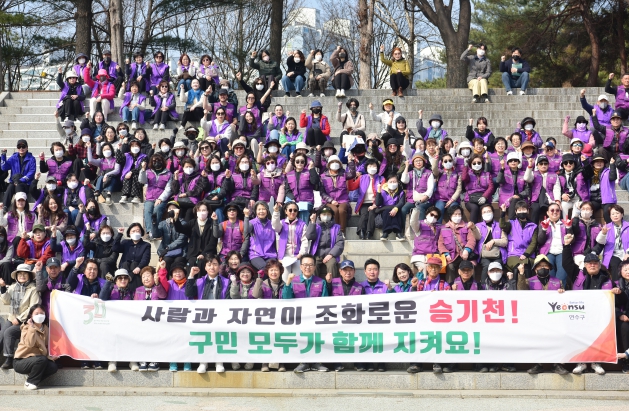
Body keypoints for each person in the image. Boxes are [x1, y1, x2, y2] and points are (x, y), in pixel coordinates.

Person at [283, 254, 328, 373]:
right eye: (305, 265)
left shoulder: (321, 282)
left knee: (317, 338)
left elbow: (325, 301)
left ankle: (317, 363)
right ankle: (303, 363)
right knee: (302, 338)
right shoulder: (294, 281)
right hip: (299, 319)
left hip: (316, 318)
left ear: (314, 267)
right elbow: (286, 300)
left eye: (310, 265)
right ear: (301, 267)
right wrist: (288, 283)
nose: (307, 267)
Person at [186, 255, 230, 373]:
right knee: (204, 338)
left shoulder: (226, 282)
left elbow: (229, 298)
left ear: (219, 266)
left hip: (220, 314)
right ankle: (203, 362)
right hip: (204, 314)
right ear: (205, 267)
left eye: (215, 264)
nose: (212, 267)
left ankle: (219, 362)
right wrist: (191, 276)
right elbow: (189, 294)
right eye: (209, 265)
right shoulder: (200, 281)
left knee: (219, 338)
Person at [0, 264, 41, 369]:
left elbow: (33, 308)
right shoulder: (13, 287)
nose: (22, 276)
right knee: (1, 335)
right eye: (20, 274)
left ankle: (9, 359)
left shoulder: (33, 289)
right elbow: (6, 301)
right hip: (12, 318)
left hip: (26, 321)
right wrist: (3, 288)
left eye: (25, 274)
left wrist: (19, 319)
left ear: (29, 276)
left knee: (8, 333)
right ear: (16, 275)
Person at [12, 304, 59, 390]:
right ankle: (30, 382)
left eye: (42, 313)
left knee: (53, 367)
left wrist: (51, 357)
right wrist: (32, 327)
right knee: (42, 359)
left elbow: (45, 347)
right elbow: (29, 344)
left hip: (38, 360)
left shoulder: (46, 329)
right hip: (21, 361)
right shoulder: (26, 328)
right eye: (36, 313)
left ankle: (32, 377)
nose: (39, 315)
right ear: (31, 316)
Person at [251, 259, 286, 372]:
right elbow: (255, 295)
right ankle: (264, 363)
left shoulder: (284, 284)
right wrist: (259, 279)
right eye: (271, 270)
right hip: (266, 317)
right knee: (266, 340)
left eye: (276, 270)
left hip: (280, 317)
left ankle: (281, 363)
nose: (274, 273)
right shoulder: (264, 283)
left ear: (280, 271)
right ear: (267, 271)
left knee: (280, 340)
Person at [172, 202, 218, 274]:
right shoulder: (192, 222)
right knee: (191, 263)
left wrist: (203, 254)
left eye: (204, 210)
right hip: (193, 253)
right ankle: (190, 283)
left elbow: (213, 242)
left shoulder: (212, 223)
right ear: (196, 212)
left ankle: (201, 284)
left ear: (208, 211)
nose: (201, 212)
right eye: (199, 210)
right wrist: (176, 217)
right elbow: (180, 229)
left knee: (201, 263)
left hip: (207, 254)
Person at [439, 207, 478, 284]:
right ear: (450, 215)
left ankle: (471, 287)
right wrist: (446, 254)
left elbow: (472, 239)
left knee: (470, 266)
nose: (457, 216)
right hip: (452, 256)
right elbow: (440, 244)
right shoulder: (444, 228)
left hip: (465, 254)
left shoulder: (466, 226)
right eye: (455, 214)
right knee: (450, 267)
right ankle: (450, 287)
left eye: (459, 214)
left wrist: (467, 250)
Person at [272, 202, 308, 282]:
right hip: (284, 256)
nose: (292, 212)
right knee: (285, 278)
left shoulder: (302, 224)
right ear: (285, 211)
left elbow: (304, 240)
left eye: (295, 210)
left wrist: (301, 253)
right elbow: (275, 226)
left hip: (297, 256)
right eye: (290, 210)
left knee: (298, 279)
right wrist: (276, 212)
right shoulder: (281, 223)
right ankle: (285, 293)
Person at [306, 206, 344, 279]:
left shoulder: (336, 227)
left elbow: (340, 243)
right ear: (319, 216)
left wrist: (331, 254)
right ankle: (313, 286)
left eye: (328, 214)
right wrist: (312, 223)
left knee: (332, 264)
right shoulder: (315, 226)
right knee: (313, 265)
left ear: (332, 216)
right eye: (323, 214)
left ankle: (332, 285)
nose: (326, 216)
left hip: (330, 254)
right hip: (317, 254)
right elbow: (309, 236)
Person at [138, 154, 172, 237]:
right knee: (148, 211)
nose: (156, 163)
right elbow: (142, 180)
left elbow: (169, 189)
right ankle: (150, 231)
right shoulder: (148, 172)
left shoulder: (168, 173)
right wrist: (142, 169)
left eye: (159, 161)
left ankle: (155, 230)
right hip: (150, 197)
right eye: (154, 161)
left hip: (161, 198)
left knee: (157, 210)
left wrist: (160, 199)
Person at [112, 224, 151, 292]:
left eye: (137, 231)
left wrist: (139, 267)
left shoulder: (146, 245)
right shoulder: (125, 242)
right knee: (126, 265)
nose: (135, 232)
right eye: (133, 231)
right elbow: (115, 248)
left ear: (141, 232)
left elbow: (146, 259)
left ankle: (135, 293)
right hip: (125, 268)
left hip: (137, 270)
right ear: (129, 233)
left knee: (134, 265)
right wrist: (119, 235)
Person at [475, 204, 507, 283]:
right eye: (484, 212)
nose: (487, 213)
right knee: (487, 266)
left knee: (497, 267)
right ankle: (483, 286)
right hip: (484, 255)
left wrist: (494, 241)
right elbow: (477, 237)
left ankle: (501, 287)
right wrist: (473, 228)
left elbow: (505, 242)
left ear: (493, 212)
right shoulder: (478, 226)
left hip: (498, 254)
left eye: (489, 211)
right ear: (481, 215)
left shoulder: (500, 225)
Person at [496, 152, 533, 219]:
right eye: (510, 161)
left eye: (515, 160)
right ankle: (511, 220)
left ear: (518, 162)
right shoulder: (503, 172)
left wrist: (519, 195)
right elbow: (498, 181)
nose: (513, 162)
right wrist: (502, 168)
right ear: (507, 163)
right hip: (506, 198)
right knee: (514, 200)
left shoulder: (523, 173)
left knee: (518, 201)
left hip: (520, 197)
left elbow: (527, 190)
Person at [153, 201, 188, 271]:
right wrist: (154, 224)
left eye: (174, 208)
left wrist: (168, 248)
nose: (171, 210)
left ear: (178, 210)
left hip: (180, 251)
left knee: (178, 262)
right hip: (167, 252)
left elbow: (182, 239)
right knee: (166, 262)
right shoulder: (163, 223)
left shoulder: (183, 223)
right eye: (169, 208)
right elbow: (156, 235)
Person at [1, 139, 36, 206]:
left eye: (23, 146)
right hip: (14, 183)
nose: (21, 148)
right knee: (10, 186)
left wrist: (20, 180)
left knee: (19, 185)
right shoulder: (13, 157)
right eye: (19, 146)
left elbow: (31, 172)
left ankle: (20, 207)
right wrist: (3, 155)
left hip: (26, 184)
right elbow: (4, 168)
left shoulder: (31, 159)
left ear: (27, 148)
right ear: (17, 148)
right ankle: (5, 207)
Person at [400, 154, 434, 223]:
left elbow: (430, 189)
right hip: (412, 199)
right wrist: (406, 166)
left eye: (420, 160)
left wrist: (423, 199)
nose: (418, 162)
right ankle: (403, 229)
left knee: (419, 208)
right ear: (413, 163)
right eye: (416, 161)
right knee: (403, 209)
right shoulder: (410, 173)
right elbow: (404, 180)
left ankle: (421, 230)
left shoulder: (429, 173)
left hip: (425, 200)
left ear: (423, 162)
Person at [409, 206, 442, 276]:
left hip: (433, 256)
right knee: (426, 269)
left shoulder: (438, 227)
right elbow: (413, 222)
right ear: (427, 214)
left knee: (439, 268)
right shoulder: (419, 225)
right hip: (420, 257)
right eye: (431, 214)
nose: (433, 217)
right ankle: (424, 286)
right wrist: (416, 210)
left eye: (436, 216)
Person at [462, 153, 494, 223]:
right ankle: (473, 229)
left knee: (486, 209)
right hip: (470, 199)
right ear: (471, 164)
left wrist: (485, 196)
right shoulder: (468, 173)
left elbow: (491, 187)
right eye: (474, 163)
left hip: (483, 197)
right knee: (474, 208)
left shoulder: (487, 174)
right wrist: (465, 166)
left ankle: (486, 229)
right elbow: (464, 178)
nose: (477, 164)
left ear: (482, 164)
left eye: (479, 163)